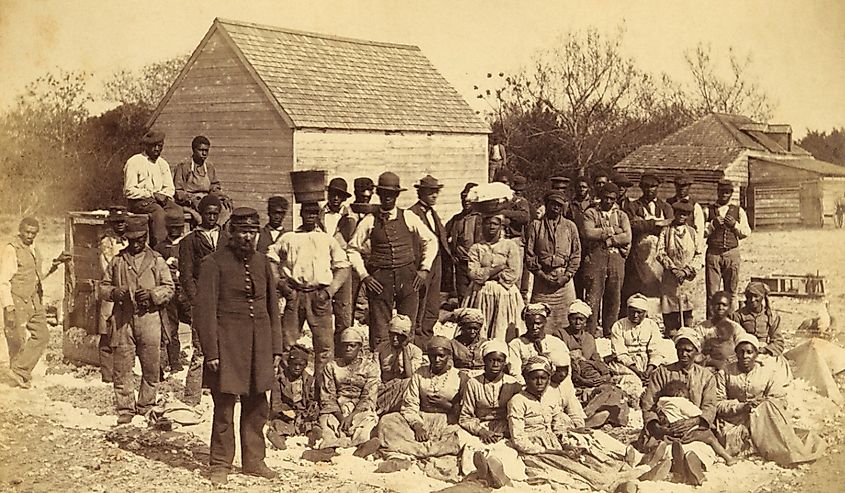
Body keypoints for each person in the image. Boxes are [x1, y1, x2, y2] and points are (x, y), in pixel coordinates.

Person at [194, 207, 283, 485]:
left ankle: (254, 460)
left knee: (258, 404)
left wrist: (276, 348)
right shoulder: (213, 263)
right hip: (228, 346)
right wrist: (211, 351)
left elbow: (271, 308)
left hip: (259, 346)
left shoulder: (262, 263)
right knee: (224, 407)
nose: (248, 237)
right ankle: (220, 464)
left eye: (253, 232)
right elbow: (204, 310)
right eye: (243, 231)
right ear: (231, 232)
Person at [268, 200, 351, 395]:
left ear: (318, 215)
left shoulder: (327, 240)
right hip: (294, 294)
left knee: (324, 347)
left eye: (314, 213)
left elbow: (343, 266)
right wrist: (281, 283)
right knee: (288, 343)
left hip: (319, 297)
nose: (310, 216)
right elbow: (270, 258)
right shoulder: (289, 237)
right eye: (307, 212)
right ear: (301, 213)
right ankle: (286, 390)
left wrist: (329, 291)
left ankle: (321, 391)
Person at [347, 172, 438, 350]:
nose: (387, 198)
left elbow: (431, 240)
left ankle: (407, 366)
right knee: (380, 328)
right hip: (380, 280)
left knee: (407, 326)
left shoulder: (409, 217)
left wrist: (424, 269)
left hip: (408, 277)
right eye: (383, 193)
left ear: (397, 195)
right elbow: (352, 249)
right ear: (378, 195)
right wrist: (365, 276)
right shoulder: (369, 220)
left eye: (391, 194)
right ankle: (381, 369)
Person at [99, 216, 174, 425]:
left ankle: (146, 404)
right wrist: (115, 292)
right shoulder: (118, 261)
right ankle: (125, 407)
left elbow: (170, 287)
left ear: (146, 237)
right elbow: (102, 288)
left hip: (150, 319)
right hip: (123, 320)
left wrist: (153, 294)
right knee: (122, 366)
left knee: (151, 366)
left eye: (140, 239)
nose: (136, 244)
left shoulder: (157, 260)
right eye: (131, 240)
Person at [715, 334, 824, 467]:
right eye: (741, 352)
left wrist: (760, 406)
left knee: (770, 410)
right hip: (734, 420)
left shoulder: (767, 372)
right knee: (734, 438)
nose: (745, 356)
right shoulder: (725, 373)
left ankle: (789, 453)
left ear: (756, 354)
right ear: (736, 353)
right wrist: (741, 406)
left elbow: (780, 400)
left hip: (763, 418)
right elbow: (718, 403)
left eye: (749, 352)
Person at [638, 329, 718, 486]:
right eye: (680, 350)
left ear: (696, 351)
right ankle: (676, 466)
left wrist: (693, 422)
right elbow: (648, 403)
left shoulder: (707, 377)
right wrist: (658, 427)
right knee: (660, 447)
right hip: (665, 430)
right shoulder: (662, 373)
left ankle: (691, 465)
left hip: (693, 430)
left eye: (688, 350)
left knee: (702, 449)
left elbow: (710, 406)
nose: (684, 354)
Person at [378, 336, 465, 462]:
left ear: (449, 355)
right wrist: (417, 425)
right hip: (420, 418)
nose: (437, 359)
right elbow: (410, 402)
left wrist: (447, 406)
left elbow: (465, 410)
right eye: (432, 356)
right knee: (387, 421)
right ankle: (429, 451)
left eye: (441, 356)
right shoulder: (420, 373)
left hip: (446, 422)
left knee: (459, 435)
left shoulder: (460, 377)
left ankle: (410, 452)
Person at [179, 194, 227, 406]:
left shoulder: (226, 239)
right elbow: (186, 275)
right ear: (201, 215)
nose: (212, 218)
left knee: (224, 346)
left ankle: (224, 391)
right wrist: (196, 301)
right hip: (202, 301)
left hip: (225, 301)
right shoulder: (190, 241)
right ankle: (192, 396)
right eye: (208, 214)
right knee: (200, 349)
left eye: (215, 214)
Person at [458, 339, 525, 487]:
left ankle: (498, 477)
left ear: (505, 362)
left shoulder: (513, 384)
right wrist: (481, 431)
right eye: (491, 360)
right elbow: (465, 417)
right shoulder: (473, 383)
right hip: (480, 428)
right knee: (472, 450)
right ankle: (482, 473)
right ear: (484, 361)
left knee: (507, 453)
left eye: (499, 360)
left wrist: (506, 431)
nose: (495, 364)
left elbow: (518, 412)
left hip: (505, 428)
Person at [1, 218, 54, 389]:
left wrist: (56, 264)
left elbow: (37, 274)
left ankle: (19, 370)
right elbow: (3, 281)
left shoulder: (34, 249)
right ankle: (15, 377)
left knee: (42, 335)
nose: (29, 236)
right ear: (20, 230)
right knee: (16, 338)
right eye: (27, 232)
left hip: (33, 299)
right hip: (16, 299)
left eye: (33, 233)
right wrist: (8, 306)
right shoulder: (11, 249)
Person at [560, 300, 630, 428]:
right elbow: (561, 362)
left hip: (592, 380)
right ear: (569, 319)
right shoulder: (560, 334)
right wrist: (584, 381)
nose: (577, 322)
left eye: (581, 319)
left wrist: (604, 376)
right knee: (608, 391)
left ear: (586, 322)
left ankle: (599, 416)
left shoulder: (589, 338)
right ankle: (588, 416)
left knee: (616, 391)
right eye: (574, 318)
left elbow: (597, 360)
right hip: (572, 380)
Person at [318, 327, 381, 456]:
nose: (348, 349)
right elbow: (328, 396)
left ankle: (362, 447)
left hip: (359, 409)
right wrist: (342, 417)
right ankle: (329, 449)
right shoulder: (332, 367)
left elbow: (368, 396)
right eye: (345, 345)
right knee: (327, 422)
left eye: (352, 345)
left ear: (359, 347)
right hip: (338, 409)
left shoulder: (370, 368)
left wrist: (351, 416)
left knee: (367, 422)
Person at [525, 190, 581, 333]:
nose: (555, 207)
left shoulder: (570, 226)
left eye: (559, 205)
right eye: (552, 204)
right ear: (546, 204)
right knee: (538, 319)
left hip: (564, 281)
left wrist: (566, 276)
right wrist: (542, 275)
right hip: (542, 281)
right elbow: (529, 255)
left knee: (566, 320)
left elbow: (576, 254)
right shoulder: (536, 226)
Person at [464, 212, 524, 341]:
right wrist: (498, 268)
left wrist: (486, 273)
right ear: (482, 225)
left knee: (502, 328)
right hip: (481, 293)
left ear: (500, 227)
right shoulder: (476, 248)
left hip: (504, 293)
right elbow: (474, 274)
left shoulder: (510, 246)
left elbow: (513, 273)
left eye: (495, 224)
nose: (491, 226)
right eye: (488, 223)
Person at [581, 183, 631, 337]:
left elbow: (627, 236)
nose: (608, 201)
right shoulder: (590, 213)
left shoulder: (621, 215)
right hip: (596, 257)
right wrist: (611, 230)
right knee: (593, 296)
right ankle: (589, 332)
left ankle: (610, 332)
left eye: (612, 199)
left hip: (616, 259)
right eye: (606, 198)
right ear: (600, 197)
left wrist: (610, 240)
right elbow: (589, 233)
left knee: (614, 296)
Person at [409, 175, 451, 347]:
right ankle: (416, 339)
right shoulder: (412, 213)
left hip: (437, 262)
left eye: (436, 192)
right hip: (422, 263)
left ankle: (427, 336)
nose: (434, 196)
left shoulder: (433, 213)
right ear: (421, 193)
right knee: (421, 299)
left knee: (433, 303)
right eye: (430, 192)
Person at [621, 173, 673, 309]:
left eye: (654, 187)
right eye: (647, 187)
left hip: (659, 252)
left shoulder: (665, 207)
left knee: (658, 286)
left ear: (658, 187)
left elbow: (670, 224)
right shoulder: (633, 206)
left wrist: (643, 223)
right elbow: (632, 225)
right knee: (640, 288)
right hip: (639, 255)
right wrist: (655, 224)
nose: (650, 190)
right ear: (642, 188)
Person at [655, 380, 737, 466]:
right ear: (679, 393)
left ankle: (677, 457)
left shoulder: (661, 404)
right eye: (686, 395)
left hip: (672, 434)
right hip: (688, 432)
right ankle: (728, 457)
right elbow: (698, 413)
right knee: (710, 437)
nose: (687, 398)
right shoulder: (681, 402)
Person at [123, 129, 182, 245]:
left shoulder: (163, 164)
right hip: (139, 202)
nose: (157, 149)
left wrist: (163, 195)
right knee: (158, 213)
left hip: (161, 200)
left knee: (177, 211)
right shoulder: (134, 162)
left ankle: (176, 245)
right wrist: (152, 194)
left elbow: (170, 188)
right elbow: (129, 190)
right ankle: (160, 246)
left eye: (159, 146)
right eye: (153, 146)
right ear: (146, 146)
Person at [704, 179, 751, 316]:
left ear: (731, 193)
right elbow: (701, 232)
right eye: (722, 192)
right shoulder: (708, 210)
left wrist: (735, 225)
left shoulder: (738, 211)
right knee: (712, 292)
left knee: (731, 291)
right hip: (713, 254)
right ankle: (711, 324)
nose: (724, 195)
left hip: (732, 253)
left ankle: (731, 322)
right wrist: (713, 225)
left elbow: (746, 232)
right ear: (717, 192)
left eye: (727, 192)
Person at [656, 201, 701, 336]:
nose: (682, 216)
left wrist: (686, 271)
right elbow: (660, 252)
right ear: (674, 214)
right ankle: (671, 332)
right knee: (670, 304)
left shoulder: (692, 233)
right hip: (670, 276)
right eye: (679, 213)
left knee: (687, 305)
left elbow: (699, 254)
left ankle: (687, 333)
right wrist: (673, 269)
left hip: (688, 278)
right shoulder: (666, 231)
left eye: (685, 214)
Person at [321, 178, 357, 344]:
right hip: (322, 266)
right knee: (323, 305)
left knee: (343, 307)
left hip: (342, 267)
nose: (336, 198)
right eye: (333, 194)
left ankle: (343, 345)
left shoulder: (350, 217)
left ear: (344, 198)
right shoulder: (319, 215)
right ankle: (326, 345)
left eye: (340, 196)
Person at [153, 209, 188, 375]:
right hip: (169, 292)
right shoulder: (160, 247)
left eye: (178, 227)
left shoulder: (188, 243)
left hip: (187, 290)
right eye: (171, 228)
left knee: (196, 323)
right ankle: (174, 362)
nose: (174, 231)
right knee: (171, 327)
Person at [266, 344, 320, 450]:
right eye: (294, 364)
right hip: (286, 415)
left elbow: (312, 400)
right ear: (288, 363)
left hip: (303, 415)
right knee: (279, 425)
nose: (297, 367)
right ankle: (279, 441)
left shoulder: (309, 381)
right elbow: (275, 405)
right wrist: (285, 412)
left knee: (311, 425)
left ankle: (312, 438)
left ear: (305, 365)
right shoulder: (279, 380)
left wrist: (311, 410)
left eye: (301, 365)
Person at [97, 206, 129, 383]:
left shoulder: (128, 240)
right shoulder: (107, 243)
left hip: (126, 291)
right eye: (117, 222)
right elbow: (109, 267)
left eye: (123, 222)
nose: (121, 225)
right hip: (112, 289)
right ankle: (107, 373)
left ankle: (122, 370)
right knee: (107, 329)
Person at [609, 294, 663, 398]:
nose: (635, 315)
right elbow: (620, 353)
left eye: (639, 312)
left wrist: (648, 371)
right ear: (627, 310)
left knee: (658, 380)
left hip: (647, 364)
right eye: (632, 311)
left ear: (645, 313)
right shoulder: (618, 326)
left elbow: (655, 351)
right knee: (631, 383)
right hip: (626, 365)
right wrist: (638, 372)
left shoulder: (651, 325)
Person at [173, 135, 231, 226]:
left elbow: (214, 187)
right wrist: (191, 199)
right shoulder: (184, 166)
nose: (204, 153)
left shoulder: (209, 167)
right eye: (201, 150)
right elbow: (178, 191)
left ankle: (217, 232)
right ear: (194, 150)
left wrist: (223, 197)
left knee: (226, 209)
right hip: (190, 202)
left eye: (206, 151)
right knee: (204, 216)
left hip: (207, 199)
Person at [507, 303, 570, 383]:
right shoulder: (516, 344)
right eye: (530, 324)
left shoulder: (556, 343)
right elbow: (515, 373)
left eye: (538, 323)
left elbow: (566, 371)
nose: (534, 327)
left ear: (545, 322)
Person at [375, 314, 424, 415]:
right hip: (383, 389)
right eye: (392, 334)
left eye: (399, 336)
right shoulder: (381, 348)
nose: (395, 338)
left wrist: (404, 349)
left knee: (408, 383)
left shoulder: (415, 351)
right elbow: (375, 373)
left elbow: (410, 376)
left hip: (402, 392)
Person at [444, 182, 480, 304]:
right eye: (463, 197)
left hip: (477, 265)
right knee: (463, 296)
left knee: (477, 297)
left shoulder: (482, 218)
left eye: (469, 198)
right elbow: (442, 235)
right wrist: (451, 252)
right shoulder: (456, 219)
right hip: (461, 265)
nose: (465, 201)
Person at [730, 281, 784, 356]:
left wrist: (765, 350)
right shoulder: (738, 316)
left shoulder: (772, 316)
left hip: (765, 353)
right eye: (749, 296)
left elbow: (779, 342)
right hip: (744, 354)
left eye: (756, 296)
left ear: (762, 297)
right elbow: (733, 340)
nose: (752, 300)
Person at [696, 291, 745, 371]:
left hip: (731, 368)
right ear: (711, 306)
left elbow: (743, 348)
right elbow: (695, 352)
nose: (720, 308)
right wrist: (712, 362)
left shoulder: (736, 328)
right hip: (706, 368)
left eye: (724, 305)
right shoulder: (702, 328)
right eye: (717, 304)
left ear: (729, 307)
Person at [666, 173, 705, 254]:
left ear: (689, 186)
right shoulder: (668, 204)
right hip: (671, 243)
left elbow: (699, 229)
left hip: (688, 244)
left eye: (684, 186)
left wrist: (697, 249)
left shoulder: (695, 206)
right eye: (678, 186)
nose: (681, 189)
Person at [568, 177, 593, 301]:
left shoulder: (594, 204)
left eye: (584, 187)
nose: (581, 189)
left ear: (588, 188)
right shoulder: (570, 206)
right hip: (575, 244)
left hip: (590, 245)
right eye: (579, 187)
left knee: (589, 278)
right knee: (577, 277)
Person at [511, 175, 534, 302]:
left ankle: (520, 301)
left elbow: (524, 217)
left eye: (519, 190)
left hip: (517, 238)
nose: (517, 193)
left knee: (517, 274)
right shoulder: (506, 201)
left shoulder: (522, 202)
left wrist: (508, 214)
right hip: (507, 239)